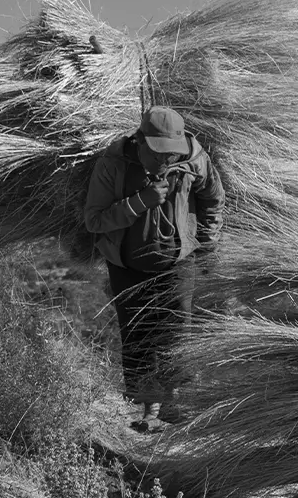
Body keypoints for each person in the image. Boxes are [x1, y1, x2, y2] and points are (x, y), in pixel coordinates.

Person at [82, 105, 224, 430]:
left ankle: (172, 403)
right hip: (127, 266)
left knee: (175, 335)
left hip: (177, 261)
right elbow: (94, 219)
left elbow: (214, 198)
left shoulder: (193, 159)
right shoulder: (113, 165)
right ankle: (148, 411)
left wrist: (207, 242)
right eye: (158, 154)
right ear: (140, 141)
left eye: (170, 154)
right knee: (137, 335)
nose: (165, 161)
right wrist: (140, 201)